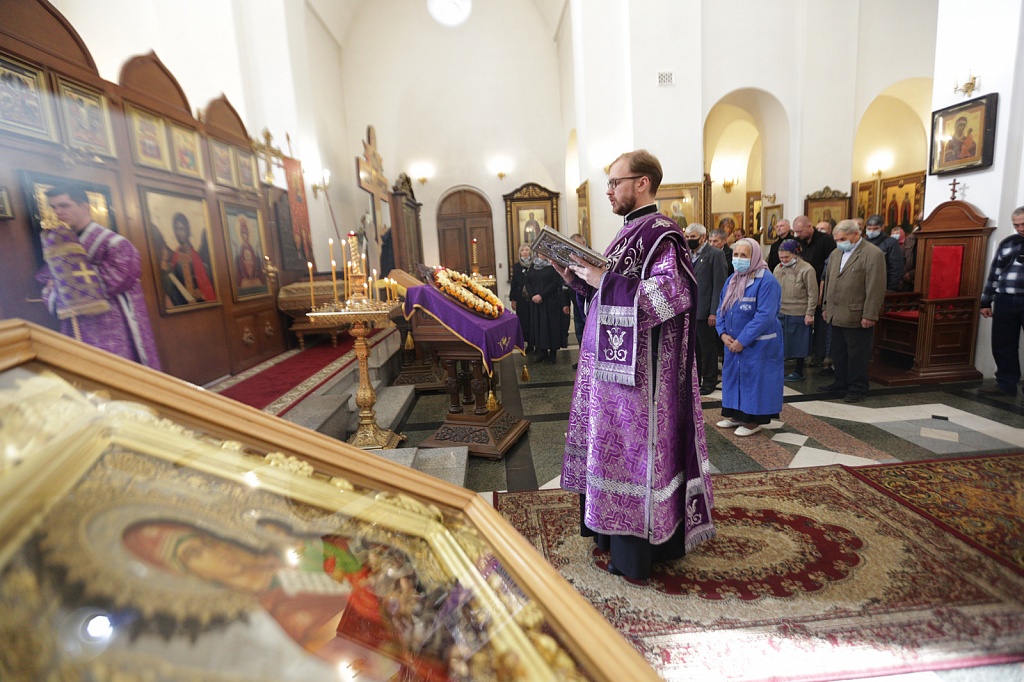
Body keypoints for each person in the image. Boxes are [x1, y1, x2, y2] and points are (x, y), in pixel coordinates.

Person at [553, 149, 715, 582]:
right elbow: (606, 296)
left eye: (614, 182)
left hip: (639, 382)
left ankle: (636, 553)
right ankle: (609, 536)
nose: (608, 191)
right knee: (610, 457)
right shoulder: (627, 233)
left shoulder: (662, 234)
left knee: (630, 459)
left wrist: (602, 280)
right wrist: (576, 279)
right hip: (610, 372)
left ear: (642, 183)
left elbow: (670, 295)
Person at [36, 186, 161, 369]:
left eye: (64, 205)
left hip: (113, 328)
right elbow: (49, 280)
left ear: (84, 207)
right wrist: (59, 285)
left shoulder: (114, 244)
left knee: (119, 373)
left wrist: (66, 282)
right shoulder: (60, 243)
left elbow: (120, 277)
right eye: (54, 207)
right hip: (77, 325)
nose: (58, 212)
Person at [715, 237, 784, 436]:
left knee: (756, 382)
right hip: (732, 342)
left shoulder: (767, 281)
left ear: (754, 257)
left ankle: (754, 422)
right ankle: (737, 415)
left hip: (758, 344)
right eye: (736, 254)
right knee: (735, 379)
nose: (738, 259)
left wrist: (742, 340)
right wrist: (723, 333)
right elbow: (721, 308)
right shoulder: (733, 278)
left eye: (744, 255)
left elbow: (764, 316)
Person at [821, 219, 886, 403]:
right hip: (835, 313)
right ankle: (840, 383)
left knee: (857, 354)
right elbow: (829, 281)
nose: (839, 242)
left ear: (856, 234)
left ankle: (858, 387)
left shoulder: (872, 254)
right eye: (836, 239)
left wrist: (869, 314)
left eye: (843, 239)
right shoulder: (836, 253)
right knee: (838, 352)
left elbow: (875, 287)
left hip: (857, 314)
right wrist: (826, 306)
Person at [978, 206, 1024, 396]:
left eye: (1023, 224)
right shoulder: (1008, 243)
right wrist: (985, 301)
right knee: (1003, 342)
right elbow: (994, 272)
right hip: (1005, 299)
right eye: (1016, 225)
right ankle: (1005, 383)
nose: (1020, 228)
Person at [685, 222, 728, 395]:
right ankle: (697, 378)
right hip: (690, 309)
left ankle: (710, 380)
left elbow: (719, 285)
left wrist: (714, 311)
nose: (689, 240)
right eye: (687, 237)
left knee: (708, 348)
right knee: (694, 348)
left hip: (706, 310)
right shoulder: (687, 254)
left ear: (703, 237)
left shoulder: (715, 254)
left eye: (693, 237)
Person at [792, 215, 835, 366]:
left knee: (821, 324)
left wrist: (823, 290)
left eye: (800, 231)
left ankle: (821, 354)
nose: (798, 235)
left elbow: (830, 265)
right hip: (803, 287)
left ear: (810, 226)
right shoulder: (798, 242)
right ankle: (805, 353)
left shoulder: (826, 240)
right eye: (796, 232)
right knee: (805, 322)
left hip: (821, 285)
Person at [773, 239, 817, 382]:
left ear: (795, 254)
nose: (783, 260)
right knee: (781, 342)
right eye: (781, 257)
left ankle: (799, 370)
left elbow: (812, 293)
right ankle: (780, 369)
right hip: (781, 310)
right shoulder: (778, 268)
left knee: (799, 343)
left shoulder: (807, 269)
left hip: (799, 311)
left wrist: (810, 313)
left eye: (786, 257)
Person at [162, 212, 216, 305]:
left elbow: (204, 284)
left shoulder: (194, 256)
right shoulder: (175, 255)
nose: (180, 233)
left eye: (182, 229)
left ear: (187, 231)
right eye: (177, 229)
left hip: (197, 303)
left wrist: (200, 295)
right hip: (180, 302)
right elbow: (173, 283)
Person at [526, 254, 563, 363]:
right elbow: (527, 281)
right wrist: (533, 295)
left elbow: (555, 283)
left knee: (551, 327)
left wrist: (542, 295)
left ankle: (553, 353)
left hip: (550, 301)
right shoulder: (533, 264)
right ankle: (542, 352)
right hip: (536, 302)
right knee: (539, 326)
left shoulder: (553, 264)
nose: (541, 253)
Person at [863, 214, 905, 292]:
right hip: (864, 284)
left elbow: (896, 266)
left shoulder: (891, 243)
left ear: (882, 227)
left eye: (875, 228)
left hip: (883, 284)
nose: (871, 231)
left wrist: (891, 288)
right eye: (869, 228)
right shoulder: (863, 242)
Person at [568, 233, 590, 368]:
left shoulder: (593, 257)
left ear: (582, 243)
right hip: (576, 302)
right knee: (579, 331)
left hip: (589, 302)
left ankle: (590, 360)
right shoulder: (571, 258)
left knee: (590, 332)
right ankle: (583, 359)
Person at [509, 243, 533, 350]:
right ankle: (525, 343)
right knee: (523, 320)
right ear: (520, 253)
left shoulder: (534, 265)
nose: (525, 252)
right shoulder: (517, 266)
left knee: (532, 320)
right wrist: (513, 299)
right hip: (521, 297)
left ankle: (533, 343)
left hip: (532, 296)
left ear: (530, 252)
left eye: (527, 250)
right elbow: (514, 283)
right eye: (522, 250)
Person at [889, 224, 917, 291]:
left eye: (897, 233)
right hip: (899, 276)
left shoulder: (907, 241)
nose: (895, 235)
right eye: (893, 233)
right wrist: (903, 274)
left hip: (912, 277)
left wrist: (910, 274)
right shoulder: (889, 245)